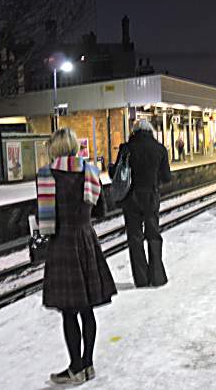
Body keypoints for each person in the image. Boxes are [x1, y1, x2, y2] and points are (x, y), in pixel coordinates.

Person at [37, 128, 116, 385]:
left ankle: (75, 368)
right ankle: (88, 364)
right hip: (85, 240)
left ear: (55, 149)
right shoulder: (91, 172)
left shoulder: (47, 175)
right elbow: (102, 210)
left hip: (62, 244)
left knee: (68, 311)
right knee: (87, 309)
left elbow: (45, 221)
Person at [115, 120, 171, 288]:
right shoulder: (160, 149)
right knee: (153, 235)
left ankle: (141, 278)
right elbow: (167, 177)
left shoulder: (126, 148)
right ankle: (157, 276)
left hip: (131, 199)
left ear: (135, 131)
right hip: (151, 197)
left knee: (135, 238)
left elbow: (117, 173)